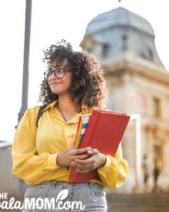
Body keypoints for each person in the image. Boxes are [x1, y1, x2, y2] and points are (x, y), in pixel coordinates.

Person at [12, 41, 129, 212]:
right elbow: (20, 165)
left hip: (88, 201)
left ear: (79, 75)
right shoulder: (34, 116)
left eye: (59, 70)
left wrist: (102, 161)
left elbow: (118, 175)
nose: (52, 76)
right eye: (50, 71)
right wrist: (58, 159)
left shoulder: (101, 120)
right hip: (42, 201)